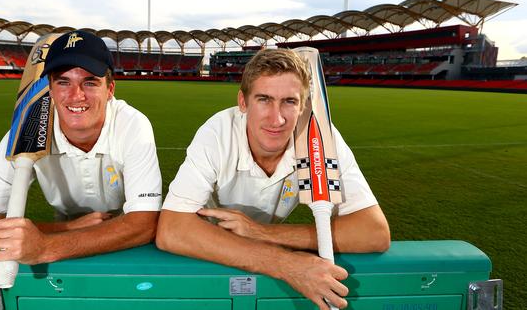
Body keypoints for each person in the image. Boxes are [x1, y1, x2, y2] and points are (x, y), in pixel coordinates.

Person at [156, 48, 390, 310]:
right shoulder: (218, 133)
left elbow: (374, 233)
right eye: (264, 99)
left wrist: (261, 232)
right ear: (243, 103)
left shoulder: (320, 138)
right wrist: (287, 265)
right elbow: (171, 230)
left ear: (302, 106)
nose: (277, 119)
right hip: (208, 244)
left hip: (250, 240)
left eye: (289, 101)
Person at [0, 30, 162, 265]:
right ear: (49, 89)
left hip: (124, 238)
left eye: (89, 82)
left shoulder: (132, 124)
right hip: (67, 227)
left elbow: (143, 224)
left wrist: (45, 246)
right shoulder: (25, 132)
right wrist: (63, 228)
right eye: (63, 82)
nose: (76, 95)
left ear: (110, 90)